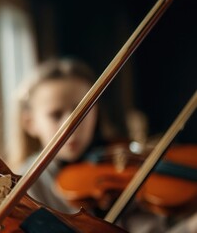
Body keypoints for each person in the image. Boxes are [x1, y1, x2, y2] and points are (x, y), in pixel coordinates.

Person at [12, 58, 196, 232]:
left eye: (82, 112)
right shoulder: (27, 186)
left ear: (96, 111)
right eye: (55, 115)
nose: (70, 126)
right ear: (29, 123)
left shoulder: (120, 162)